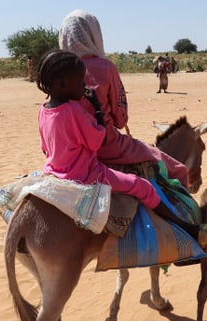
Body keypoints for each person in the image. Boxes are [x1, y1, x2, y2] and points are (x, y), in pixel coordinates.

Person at [35, 49, 207, 245]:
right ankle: (189, 230)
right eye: (81, 79)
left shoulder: (43, 110)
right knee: (142, 186)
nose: (84, 84)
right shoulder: (74, 110)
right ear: (63, 83)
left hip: (53, 170)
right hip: (87, 174)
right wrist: (97, 108)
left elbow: (45, 147)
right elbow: (97, 140)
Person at [59, 9, 189, 189]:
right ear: (94, 34)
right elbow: (120, 120)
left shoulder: (57, 71)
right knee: (178, 169)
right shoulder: (105, 68)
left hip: (63, 150)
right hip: (107, 146)